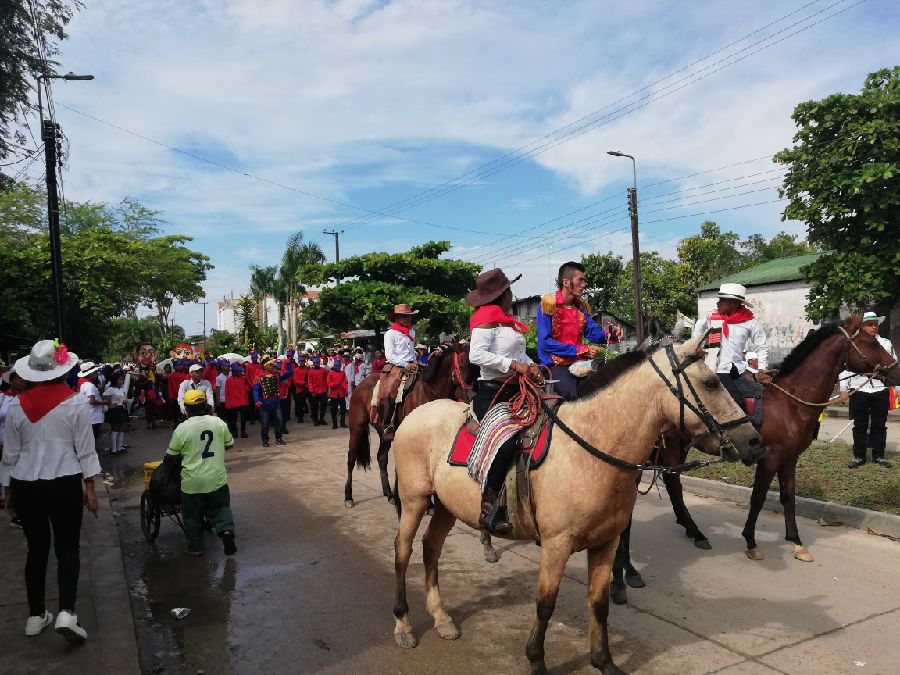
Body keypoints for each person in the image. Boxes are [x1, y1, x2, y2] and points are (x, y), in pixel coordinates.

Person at [1, 340, 101, 642]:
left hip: (25, 484)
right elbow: (85, 450)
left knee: (37, 549)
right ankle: (67, 613)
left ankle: (35, 615)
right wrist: (90, 487)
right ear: (62, 370)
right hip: (64, 481)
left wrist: (8, 491)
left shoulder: (16, 405)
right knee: (68, 547)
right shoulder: (75, 403)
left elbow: (11, 454)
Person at [467, 269, 544, 534]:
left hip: (519, 390)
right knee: (508, 442)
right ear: (502, 294)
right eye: (509, 291)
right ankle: (489, 507)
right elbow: (476, 355)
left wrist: (534, 367)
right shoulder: (484, 320)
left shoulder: (506, 321)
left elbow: (521, 355)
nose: (512, 295)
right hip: (493, 393)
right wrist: (513, 365)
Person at [164, 389, 237, 556]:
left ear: (187, 409)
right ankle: (226, 532)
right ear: (205, 405)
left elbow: (171, 455)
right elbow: (230, 444)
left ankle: (196, 547)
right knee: (221, 508)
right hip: (216, 478)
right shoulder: (218, 422)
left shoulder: (182, 429)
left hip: (192, 482)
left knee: (192, 516)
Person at [536, 262, 624, 401]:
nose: (584, 284)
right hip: (555, 366)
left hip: (579, 363)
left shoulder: (581, 308)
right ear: (566, 282)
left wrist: (610, 334)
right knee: (576, 396)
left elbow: (593, 334)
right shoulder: (548, 304)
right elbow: (546, 343)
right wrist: (581, 350)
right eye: (580, 280)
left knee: (610, 386)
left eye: (584, 280)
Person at [692, 282, 772, 409]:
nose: (718, 303)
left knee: (763, 395)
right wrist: (697, 347)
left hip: (738, 371)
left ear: (734, 303)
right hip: (715, 369)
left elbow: (761, 346)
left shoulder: (750, 322)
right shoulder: (711, 318)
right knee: (737, 402)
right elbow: (698, 327)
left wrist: (761, 369)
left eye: (722, 300)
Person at [842, 312, 897, 469]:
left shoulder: (885, 343)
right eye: (870, 324)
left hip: (880, 389)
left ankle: (879, 456)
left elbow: (894, 365)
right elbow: (847, 367)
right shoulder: (853, 344)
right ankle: (859, 456)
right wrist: (844, 388)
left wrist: (897, 386)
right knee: (859, 425)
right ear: (862, 326)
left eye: (875, 324)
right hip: (859, 388)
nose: (874, 327)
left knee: (879, 425)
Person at [379, 303, 421, 440]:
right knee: (392, 390)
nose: (407, 319)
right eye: (403, 316)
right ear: (397, 318)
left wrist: (416, 362)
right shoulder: (390, 334)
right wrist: (405, 364)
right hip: (396, 366)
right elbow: (390, 356)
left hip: (412, 365)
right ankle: (388, 424)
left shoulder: (412, 332)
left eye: (408, 316)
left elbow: (411, 352)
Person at [252, 357, 292, 446]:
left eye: (272, 364)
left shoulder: (277, 375)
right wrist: (257, 401)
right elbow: (255, 390)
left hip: (276, 403)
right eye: (270, 365)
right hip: (265, 404)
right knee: (265, 424)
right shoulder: (259, 377)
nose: (272, 366)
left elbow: (289, 374)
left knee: (279, 421)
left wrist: (288, 364)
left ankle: (279, 438)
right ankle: (265, 440)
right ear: (265, 366)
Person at [77, 362, 107, 441]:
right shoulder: (89, 386)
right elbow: (91, 401)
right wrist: (104, 402)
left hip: (89, 415)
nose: (96, 374)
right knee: (93, 439)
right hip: (93, 417)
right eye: (94, 372)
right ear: (89, 374)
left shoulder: (84, 384)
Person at [105, 370, 130, 455]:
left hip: (121, 408)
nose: (122, 381)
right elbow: (103, 398)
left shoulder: (121, 389)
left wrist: (124, 401)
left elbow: (123, 398)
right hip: (114, 410)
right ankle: (113, 450)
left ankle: (119, 448)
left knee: (122, 428)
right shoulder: (110, 389)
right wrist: (109, 405)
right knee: (115, 429)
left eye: (122, 379)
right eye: (120, 379)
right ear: (115, 380)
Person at [224, 363, 250, 440]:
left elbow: (249, 386)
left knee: (244, 418)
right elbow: (226, 392)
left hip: (243, 401)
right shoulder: (229, 379)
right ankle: (234, 432)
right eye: (238, 371)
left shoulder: (243, 378)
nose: (240, 372)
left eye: (240, 371)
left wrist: (247, 379)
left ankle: (243, 432)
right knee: (233, 419)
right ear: (234, 371)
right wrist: (227, 403)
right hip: (233, 402)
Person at [327, 357, 349, 429]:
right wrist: (335, 384)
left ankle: (342, 423)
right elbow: (329, 383)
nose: (338, 367)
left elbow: (346, 382)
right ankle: (335, 424)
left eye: (339, 366)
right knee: (333, 410)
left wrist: (345, 390)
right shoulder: (330, 373)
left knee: (343, 409)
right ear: (334, 366)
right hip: (333, 394)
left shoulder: (342, 373)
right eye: (336, 366)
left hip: (342, 393)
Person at [306, 357, 328, 426]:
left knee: (323, 406)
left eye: (317, 363)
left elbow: (326, 379)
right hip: (315, 392)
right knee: (314, 407)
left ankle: (322, 419)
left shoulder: (324, 370)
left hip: (323, 391)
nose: (316, 364)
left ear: (319, 363)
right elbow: (310, 382)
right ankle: (315, 420)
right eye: (315, 363)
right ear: (313, 363)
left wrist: (327, 389)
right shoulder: (310, 371)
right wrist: (312, 391)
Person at [292, 354, 309, 424]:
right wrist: (303, 383)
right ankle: (300, 417)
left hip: (308, 388)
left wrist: (307, 385)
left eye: (303, 361)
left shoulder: (308, 369)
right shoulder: (296, 370)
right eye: (300, 361)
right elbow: (295, 380)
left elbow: (310, 378)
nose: (302, 362)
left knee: (313, 403)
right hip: (300, 389)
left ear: (305, 361)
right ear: (298, 362)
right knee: (299, 404)